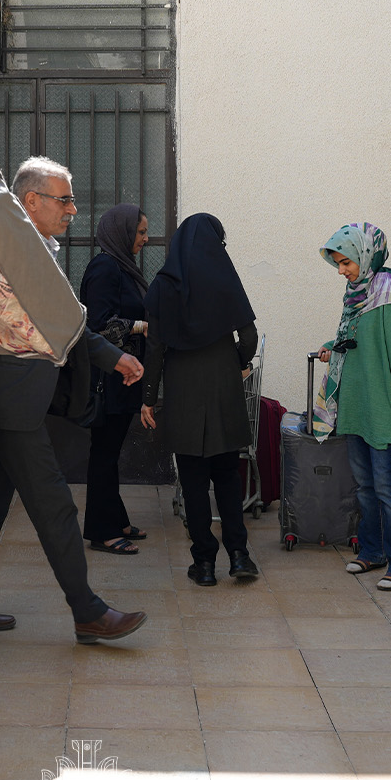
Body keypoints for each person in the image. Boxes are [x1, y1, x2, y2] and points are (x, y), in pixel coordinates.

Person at [0, 156, 149, 645]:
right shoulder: (0, 251)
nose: (72, 210)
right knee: (56, 507)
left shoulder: (34, 249)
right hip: (9, 409)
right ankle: (88, 612)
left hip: (20, 402)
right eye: (64, 200)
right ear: (30, 201)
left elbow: (62, 323)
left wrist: (115, 358)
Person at [139, 213, 260, 585]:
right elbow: (249, 338)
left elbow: (155, 349)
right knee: (227, 476)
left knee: (192, 482)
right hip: (222, 388)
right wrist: (234, 363)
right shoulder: (225, 277)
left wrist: (148, 398)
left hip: (183, 391)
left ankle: (204, 563)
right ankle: (239, 556)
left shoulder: (163, 286)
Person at [314, 223, 391, 592]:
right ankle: (373, 551)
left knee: (389, 488)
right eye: (338, 264)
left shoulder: (388, 288)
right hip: (357, 404)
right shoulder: (356, 293)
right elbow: (356, 339)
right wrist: (333, 344)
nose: (341, 271)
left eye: (346, 263)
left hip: (385, 405)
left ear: (365, 255)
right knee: (365, 487)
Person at [77, 203, 152, 555]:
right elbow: (96, 325)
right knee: (104, 454)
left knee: (110, 452)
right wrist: (140, 326)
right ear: (122, 232)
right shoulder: (105, 268)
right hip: (108, 378)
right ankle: (101, 531)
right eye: (140, 232)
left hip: (123, 376)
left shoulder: (122, 267)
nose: (145, 239)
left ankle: (116, 519)